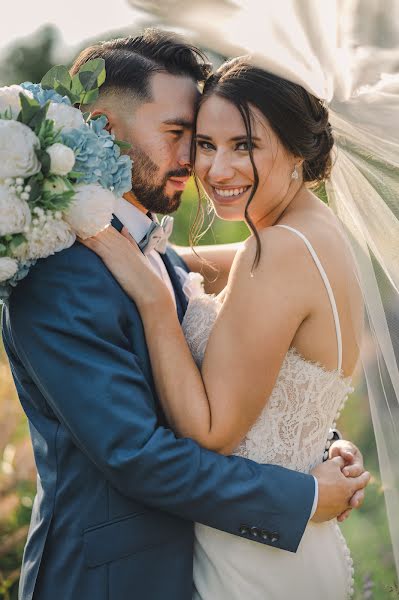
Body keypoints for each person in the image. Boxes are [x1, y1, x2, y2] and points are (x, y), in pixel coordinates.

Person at [1, 31, 368, 600]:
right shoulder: (62, 276)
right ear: (103, 127)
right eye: (182, 136)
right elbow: (137, 456)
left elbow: (250, 366)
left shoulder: (152, 251)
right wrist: (302, 497)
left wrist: (315, 442)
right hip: (111, 582)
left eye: (206, 139)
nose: (197, 161)